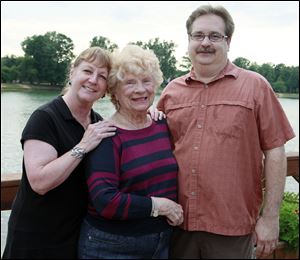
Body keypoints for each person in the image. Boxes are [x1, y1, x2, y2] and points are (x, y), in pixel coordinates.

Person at [156, 4, 296, 259]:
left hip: (232, 229)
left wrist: (271, 217)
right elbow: (154, 146)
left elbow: (275, 150)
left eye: (214, 36)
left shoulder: (256, 86)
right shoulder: (171, 92)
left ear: (228, 41)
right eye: (198, 36)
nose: (205, 43)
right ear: (189, 41)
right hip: (177, 223)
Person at [2, 47, 117, 259]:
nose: (93, 80)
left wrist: (153, 113)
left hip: (77, 238)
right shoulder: (44, 118)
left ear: (106, 88)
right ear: (72, 72)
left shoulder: (98, 123)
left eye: (102, 76)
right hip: (35, 239)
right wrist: (83, 145)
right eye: (87, 71)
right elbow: (39, 182)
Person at [78, 45, 183, 259]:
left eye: (146, 81)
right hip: (111, 246)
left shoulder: (162, 125)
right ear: (115, 90)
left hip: (161, 242)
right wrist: (160, 206)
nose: (140, 89)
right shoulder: (106, 135)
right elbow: (105, 200)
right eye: (130, 83)